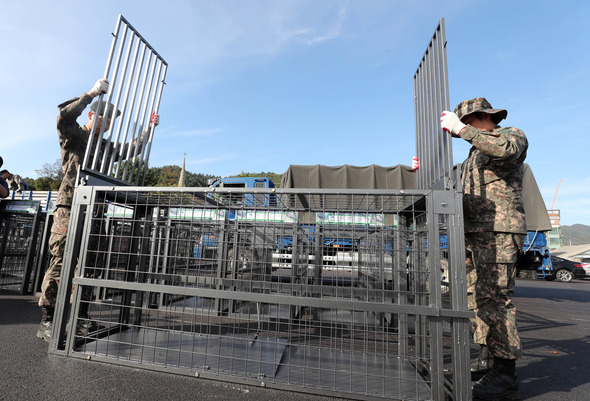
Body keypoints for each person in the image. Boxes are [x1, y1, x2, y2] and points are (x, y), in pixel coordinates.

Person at [37, 78, 160, 342]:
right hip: (70, 207)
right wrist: (91, 94)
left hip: (95, 210)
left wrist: (148, 131)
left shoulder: (103, 147)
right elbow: (62, 118)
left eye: (111, 121)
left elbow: (128, 150)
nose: (108, 124)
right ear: (93, 114)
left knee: (89, 264)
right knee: (61, 261)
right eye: (105, 118)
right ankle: (48, 319)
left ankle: (80, 318)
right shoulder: (76, 136)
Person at [440, 98, 527, 401]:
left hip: (498, 232)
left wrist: (462, 130)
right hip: (473, 234)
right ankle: (488, 359)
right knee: (475, 298)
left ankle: (506, 376)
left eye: (465, 121)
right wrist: (422, 172)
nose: (458, 129)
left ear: (480, 117)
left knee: (495, 299)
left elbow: (506, 150)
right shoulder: (470, 158)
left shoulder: (511, 135)